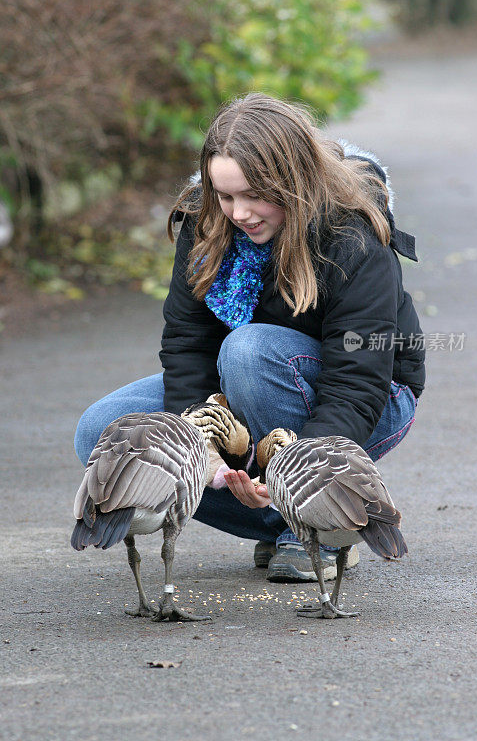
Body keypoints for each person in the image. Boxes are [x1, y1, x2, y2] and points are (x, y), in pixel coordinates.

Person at [74, 93, 425, 583]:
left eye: (254, 195)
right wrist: (209, 455)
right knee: (101, 431)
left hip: (370, 395)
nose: (238, 212)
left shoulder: (353, 232)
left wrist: (295, 463)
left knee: (248, 350)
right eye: (225, 195)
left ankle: (315, 528)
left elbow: (357, 381)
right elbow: (188, 345)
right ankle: (289, 517)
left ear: (294, 180)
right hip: (245, 384)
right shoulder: (205, 224)